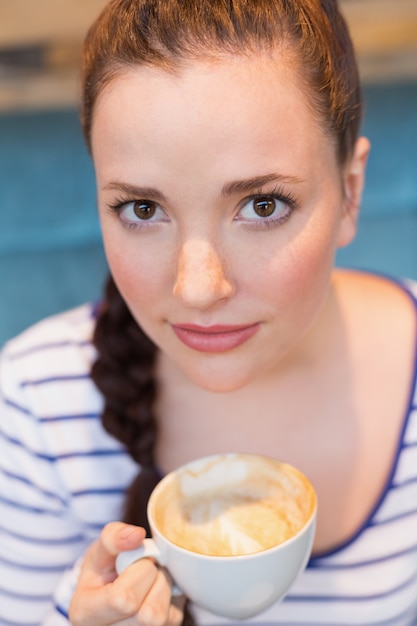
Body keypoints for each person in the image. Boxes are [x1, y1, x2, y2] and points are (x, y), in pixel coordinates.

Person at [1, 0, 417, 624]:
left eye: (263, 205)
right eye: (142, 209)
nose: (198, 288)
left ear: (351, 192)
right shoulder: (33, 408)